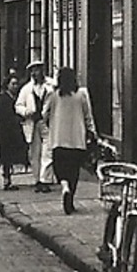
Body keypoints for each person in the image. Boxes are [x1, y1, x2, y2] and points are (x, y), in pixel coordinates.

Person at [43, 66, 98, 214]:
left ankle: (64, 186)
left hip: (58, 139)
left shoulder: (53, 95)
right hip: (77, 140)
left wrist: (52, 125)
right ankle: (71, 199)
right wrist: (92, 132)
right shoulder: (82, 94)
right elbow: (88, 115)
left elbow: (44, 114)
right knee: (74, 170)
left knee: (60, 169)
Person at [0, 72, 27, 191]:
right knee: (3, 156)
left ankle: (7, 181)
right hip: (4, 130)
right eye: (13, 84)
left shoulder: (14, 97)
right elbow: (2, 114)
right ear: (7, 85)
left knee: (7, 157)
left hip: (11, 130)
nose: (15, 86)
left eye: (17, 84)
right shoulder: (3, 98)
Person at [16, 60, 54, 192]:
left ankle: (45, 180)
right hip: (32, 122)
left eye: (37, 70)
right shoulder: (26, 89)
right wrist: (26, 112)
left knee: (48, 150)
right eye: (32, 71)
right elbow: (18, 105)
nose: (35, 73)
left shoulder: (52, 85)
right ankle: (37, 179)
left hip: (47, 122)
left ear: (42, 70)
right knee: (34, 152)